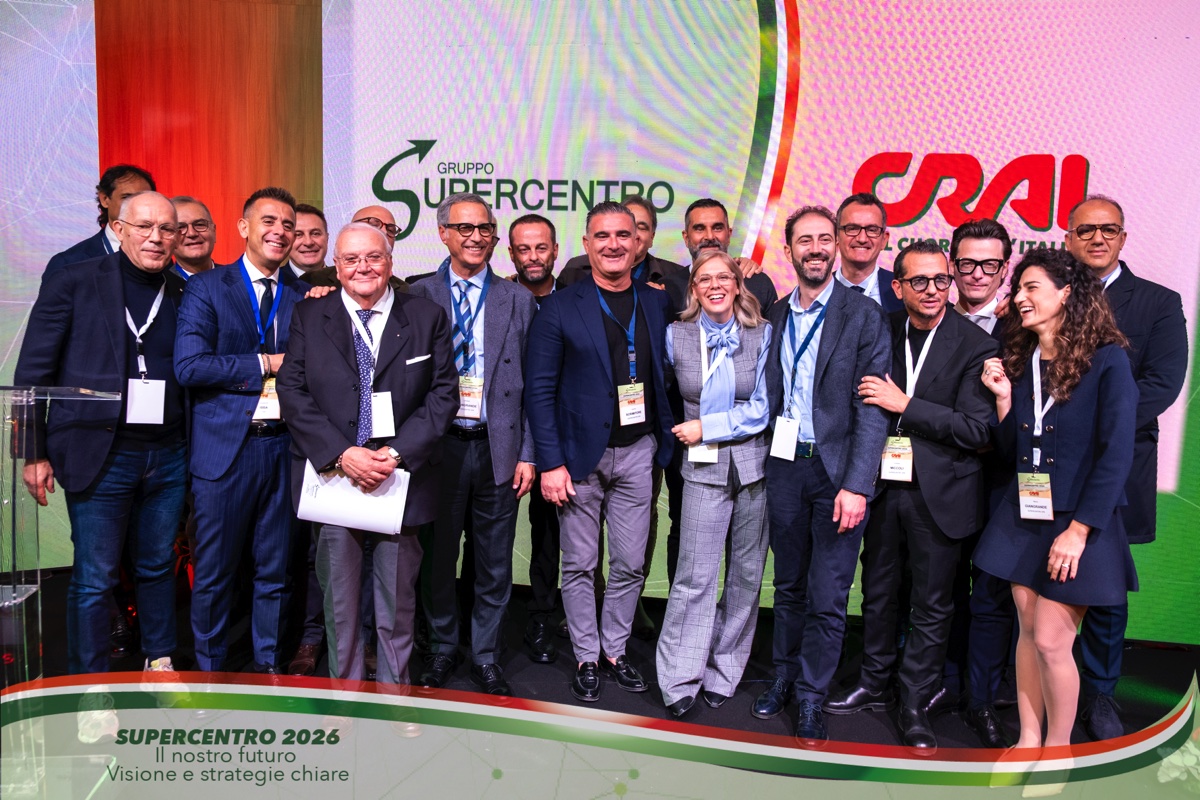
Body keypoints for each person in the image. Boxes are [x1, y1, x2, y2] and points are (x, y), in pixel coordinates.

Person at [825, 240, 997, 749]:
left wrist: (905, 405)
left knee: (931, 604)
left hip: (940, 494)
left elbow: (977, 430)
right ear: (897, 286)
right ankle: (872, 681)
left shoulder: (975, 344)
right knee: (878, 591)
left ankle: (916, 699)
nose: (933, 290)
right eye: (919, 281)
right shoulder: (881, 327)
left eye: (941, 280)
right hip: (881, 485)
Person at [15, 191, 187, 675]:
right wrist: (32, 451)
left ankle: (160, 661)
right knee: (94, 578)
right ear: (119, 229)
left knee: (158, 566)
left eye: (166, 228)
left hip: (169, 453)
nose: (155, 237)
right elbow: (33, 371)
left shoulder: (183, 291)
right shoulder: (74, 280)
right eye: (144, 226)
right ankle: (89, 685)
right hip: (101, 452)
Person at [277, 222, 458, 684]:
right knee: (340, 603)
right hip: (334, 477)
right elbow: (292, 391)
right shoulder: (308, 315)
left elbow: (443, 395)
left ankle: (395, 695)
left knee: (397, 603)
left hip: (400, 478)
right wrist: (342, 454)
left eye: (373, 257)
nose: (363, 267)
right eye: (351, 259)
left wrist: (395, 454)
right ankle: (348, 697)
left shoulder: (427, 317)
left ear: (390, 262)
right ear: (336, 267)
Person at [975, 247, 1137, 755]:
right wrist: (1004, 400)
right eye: (1018, 289)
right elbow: (1011, 451)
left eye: (1032, 288)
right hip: (1024, 515)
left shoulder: (1108, 360)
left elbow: (1117, 454)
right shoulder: (1023, 361)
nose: (1020, 298)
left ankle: (1059, 749)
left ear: (1066, 293)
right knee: (1026, 633)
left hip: (1077, 523)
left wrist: (1080, 530)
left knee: (1050, 639)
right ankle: (1028, 739)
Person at [525, 201, 674, 703]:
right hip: (577, 459)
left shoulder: (657, 303)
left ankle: (615, 650)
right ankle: (587, 655)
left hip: (638, 452)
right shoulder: (560, 307)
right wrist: (550, 462)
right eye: (602, 236)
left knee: (630, 563)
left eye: (623, 235)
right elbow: (539, 391)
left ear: (639, 243)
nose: (613, 244)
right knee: (580, 565)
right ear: (587, 244)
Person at [754, 205, 890, 744]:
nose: (815, 248)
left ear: (835, 246)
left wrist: (858, 485)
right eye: (804, 240)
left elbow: (872, 408)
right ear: (789, 249)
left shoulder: (863, 314)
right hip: (785, 466)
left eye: (823, 239)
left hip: (837, 474)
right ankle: (783, 676)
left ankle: (812, 694)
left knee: (828, 593)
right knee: (787, 585)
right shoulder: (775, 314)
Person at [1063, 195, 1188, 740]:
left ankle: (1100, 694)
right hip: (1048, 464)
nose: (1097, 238)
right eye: (1086, 229)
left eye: (1108, 229)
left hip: (1118, 462)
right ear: (1068, 237)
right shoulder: (1047, 292)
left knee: (1106, 585)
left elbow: (1161, 384)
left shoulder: (1158, 302)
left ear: (1123, 237)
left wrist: (1090, 428)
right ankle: (1041, 684)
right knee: (1037, 576)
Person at [175, 186, 308, 675]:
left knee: (276, 569)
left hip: (286, 449)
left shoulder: (304, 296)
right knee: (214, 572)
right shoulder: (208, 287)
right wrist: (264, 364)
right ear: (243, 228)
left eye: (288, 225)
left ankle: (268, 664)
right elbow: (189, 366)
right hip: (225, 452)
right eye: (269, 221)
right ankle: (211, 670)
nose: (280, 232)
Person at [410, 193, 538, 695]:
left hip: (498, 449)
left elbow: (535, 385)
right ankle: (443, 647)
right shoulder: (417, 296)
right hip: (437, 449)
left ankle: (486, 655)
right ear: (443, 233)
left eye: (484, 228)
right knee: (438, 558)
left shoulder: (517, 299)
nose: (476, 237)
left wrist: (528, 453)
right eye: (464, 228)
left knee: (494, 561)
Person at [654, 250, 771, 718]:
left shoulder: (763, 335)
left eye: (725, 277)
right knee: (694, 577)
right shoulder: (676, 335)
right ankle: (679, 677)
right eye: (705, 279)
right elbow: (661, 391)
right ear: (694, 289)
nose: (716, 285)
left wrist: (708, 427)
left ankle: (725, 670)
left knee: (746, 576)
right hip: (702, 470)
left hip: (754, 469)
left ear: (738, 285)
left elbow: (763, 407)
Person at [950, 218, 1019, 747]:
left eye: (989, 264)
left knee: (993, 595)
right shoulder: (929, 315)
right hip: (941, 479)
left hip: (1002, 482)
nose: (977, 273)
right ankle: (938, 681)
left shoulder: (1024, 327)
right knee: (937, 588)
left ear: (1004, 269)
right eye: (968, 263)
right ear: (952, 266)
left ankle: (984, 696)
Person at [507, 213, 563, 663]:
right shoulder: (500, 298)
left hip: (555, 439)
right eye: (523, 249)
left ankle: (542, 616)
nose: (532, 257)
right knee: (488, 533)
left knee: (548, 534)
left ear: (555, 250)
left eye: (540, 247)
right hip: (502, 438)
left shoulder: (575, 299)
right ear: (510, 254)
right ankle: (482, 619)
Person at [46, 164, 156, 272]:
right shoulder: (68, 263)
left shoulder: (160, 257)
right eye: (126, 198)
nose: (137, 206)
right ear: (105, 199)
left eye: (143, 199)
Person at [558, 195, 685, 288]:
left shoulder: (677, 275)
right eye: (624, 230)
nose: (635, 234)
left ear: (652, 237)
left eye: (641, 228)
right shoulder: (575, 269)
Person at [832, 192, 905, 313]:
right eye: (852, 229)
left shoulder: (903, 291)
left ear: (884, 240)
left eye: (872, 230)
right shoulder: (818, 290)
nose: (862, 239)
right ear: (836, 236)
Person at [171, 196, 219, 278]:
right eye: (180, 227)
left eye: (199, 225)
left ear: (214, 232)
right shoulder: (161, 284)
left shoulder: (238, 278)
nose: (192, 233)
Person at [290, 204, 330, 277]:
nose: (308, 242)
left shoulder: (344, 280)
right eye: (298, 235)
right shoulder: (272, 281)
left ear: (327, 238)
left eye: (315, 234)